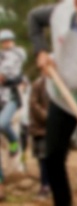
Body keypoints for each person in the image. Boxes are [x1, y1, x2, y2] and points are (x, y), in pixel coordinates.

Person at [28, 0, 77, 205]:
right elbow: (34, 19)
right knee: (53, 156)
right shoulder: (60, 14)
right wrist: (40, 51)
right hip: (62, 97)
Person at [0, 28, 26, 200]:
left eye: (8, 41)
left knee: (2, 124)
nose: (6, 44)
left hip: (11, 99)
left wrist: (6, 79)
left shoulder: (16, 55)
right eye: (3, 42)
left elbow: (17, 78)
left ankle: (14, 141)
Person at [29, 73, 50, 199]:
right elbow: (33, 104)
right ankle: (45, 185)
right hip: (40, 128)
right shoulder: (38, 84)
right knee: (43, 157)